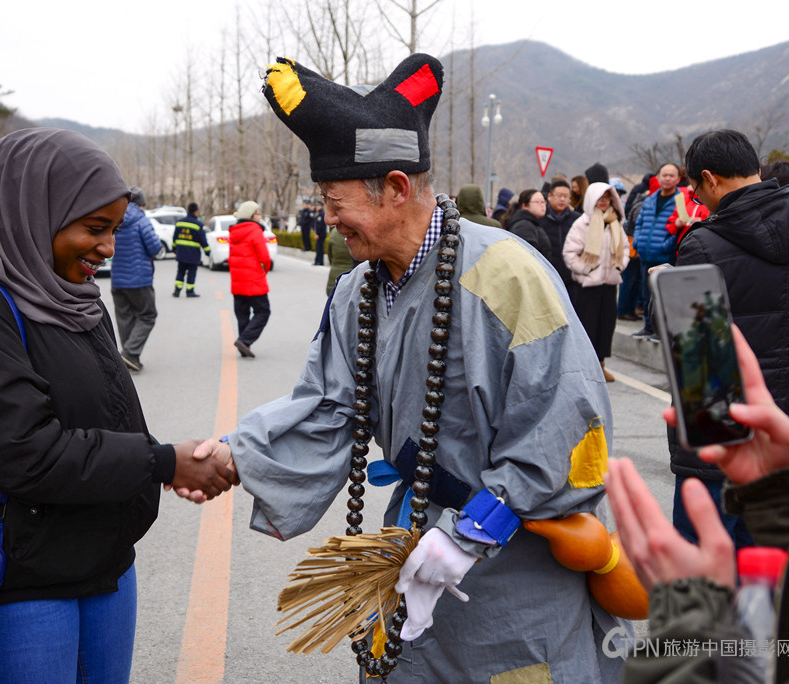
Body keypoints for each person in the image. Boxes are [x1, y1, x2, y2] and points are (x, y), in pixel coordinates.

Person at [188, 53, 624, 683]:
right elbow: (328, 405)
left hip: (513, 560)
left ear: (395, 188)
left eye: (336, 204)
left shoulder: (507, 273)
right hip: (412, 541)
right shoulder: (356, 290)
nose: (328, 222)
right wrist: (235, 457)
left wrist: (471, 531)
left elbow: (566, 431)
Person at [0, 128, 233, 683]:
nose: (108, 248)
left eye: (112, 228)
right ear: (35, 212)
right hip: (17, 582)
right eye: (94, 228)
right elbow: (27, 454)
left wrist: (161, 462)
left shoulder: (75, 301)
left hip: (103, 565)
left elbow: (110, 418)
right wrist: (160, 462)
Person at [607, 325, 789, 683]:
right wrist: (785, 501)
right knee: (758, 593)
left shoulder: (700, 267)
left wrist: (686, 622)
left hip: (717, 437)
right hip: (768, 444)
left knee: (704, 567)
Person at [668, 129, 789, 549]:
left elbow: (695, 364)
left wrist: (664, 295)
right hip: (787, 440)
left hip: (724, 440)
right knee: (776, 576)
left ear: (709, 178)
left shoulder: (702, 246)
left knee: (706, 577)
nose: (697, 199)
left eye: (694, 188)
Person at [562, 182, 629, 383]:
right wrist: (586, 270)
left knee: (606, 327)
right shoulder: (582, 224)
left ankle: (600, 365)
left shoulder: (615, 222)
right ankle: (584, 367)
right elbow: (570, 254)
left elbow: (625, 249)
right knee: (587, 327)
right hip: (588, 287)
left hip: (609, 284)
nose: (604, 202)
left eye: (607, 198)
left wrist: (620, 266)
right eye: (600, 198)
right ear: (592, 199)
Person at [110, 186, 162, 372]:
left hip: (117, 279)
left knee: (125, 316)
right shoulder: (141, 220)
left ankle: (130, 357)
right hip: (139, 279)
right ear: (140, 204)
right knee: (148, 315)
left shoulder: (114, 218)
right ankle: (130, 354)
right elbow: (154, 248)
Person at [631, 162, 682, 339]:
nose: (667, 179)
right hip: (645, 253)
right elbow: (639, 223)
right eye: (664, 175)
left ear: (678, 179)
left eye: (671, 175)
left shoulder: (680, 200)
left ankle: (663, 330)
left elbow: (680, 227)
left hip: (664, 255)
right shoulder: (650, 199)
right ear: (658, 177)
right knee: (646, 293)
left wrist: (665, 245)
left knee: (664, 296)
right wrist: (637, 241)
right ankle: (648, 326)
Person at [228, 201, 272, 358]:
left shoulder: (234, 232)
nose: (260, 217)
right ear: (251, 216)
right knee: (263, 311)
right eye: (258, 213)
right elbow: (265, 258)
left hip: (238, 281)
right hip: (253, 280)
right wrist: (264, 271)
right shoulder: (254, 230)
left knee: (242, 314)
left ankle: (243, 344)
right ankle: (245, 340)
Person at [616, 173, 656, 321]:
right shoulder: (643, 205)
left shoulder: (638, 201)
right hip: (633, 247)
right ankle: (624, 310)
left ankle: (626, 309)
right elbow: (641, 225)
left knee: (631, 279)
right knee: (630, 279)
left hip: (633, 245)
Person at [538, 178, 582, 300]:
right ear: (550, 197)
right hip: (547, 278)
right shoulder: (540, 219)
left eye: (566, 196)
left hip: (572, 279)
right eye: (559, 195)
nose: (562, 199)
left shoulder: (578, 220)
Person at [172, 202, 209, 297]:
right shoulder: (198, 225)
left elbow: (175, 238)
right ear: (196, 212)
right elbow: (203, 240)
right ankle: (190, 291)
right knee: (191, 273)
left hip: (181, 253)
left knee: (180, 271)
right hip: (193, 254)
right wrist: (207, 251)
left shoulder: (179, 223)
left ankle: (177, 290)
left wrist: (174, 248)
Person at [504, 188, 552, 258]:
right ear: (524, 206)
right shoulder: (523, 226)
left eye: (543, 201)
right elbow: (527, 257)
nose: (542, 205)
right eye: (538, 201)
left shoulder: (532, 223)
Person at [325, 225, 358, 295]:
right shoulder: (354, 234)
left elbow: (329, 254)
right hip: (350, 274)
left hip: (333, 276)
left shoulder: (334, 233)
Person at [312, 201, 327, 265]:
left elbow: (321, 226)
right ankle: (319, 261)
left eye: (318, 206)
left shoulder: (322, 214)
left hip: (321, 234)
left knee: (319, 248)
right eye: (317, 206)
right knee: (318, 247)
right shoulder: (319, 214)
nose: (317, 207)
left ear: (321, 206)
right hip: (319, 234)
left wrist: (318, 234)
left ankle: (319, 261)